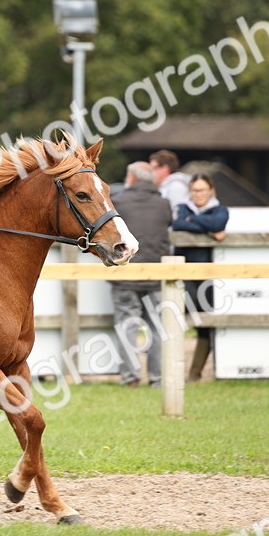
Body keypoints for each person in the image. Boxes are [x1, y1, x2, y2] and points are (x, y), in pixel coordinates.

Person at [108, 162, 171, 386]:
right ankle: (157, 378)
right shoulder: (164, 204)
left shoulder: (119, 202)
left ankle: (130, 377)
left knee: (128, 326)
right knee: (156, 327)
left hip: (125, 275)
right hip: (156, 275)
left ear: (132, 178)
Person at [172, 173, 229, 381]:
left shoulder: (220, 209)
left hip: (209, 278)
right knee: (174, 322)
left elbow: (219, 222)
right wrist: (211, 230)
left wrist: (195, 222)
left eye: (202, 190)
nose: (198, 194)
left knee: (206, 325)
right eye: (195, 190)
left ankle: (194, 374)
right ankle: (172, 373)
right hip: (183, 275)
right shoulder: (182, 209)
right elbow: (178, 224)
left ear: (211, 190)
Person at [149, 149, 190, 217]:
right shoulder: (164, 186)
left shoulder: (176, 186)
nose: (150, 172)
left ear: (165, 168)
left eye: (153, 168)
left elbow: (179, 215)